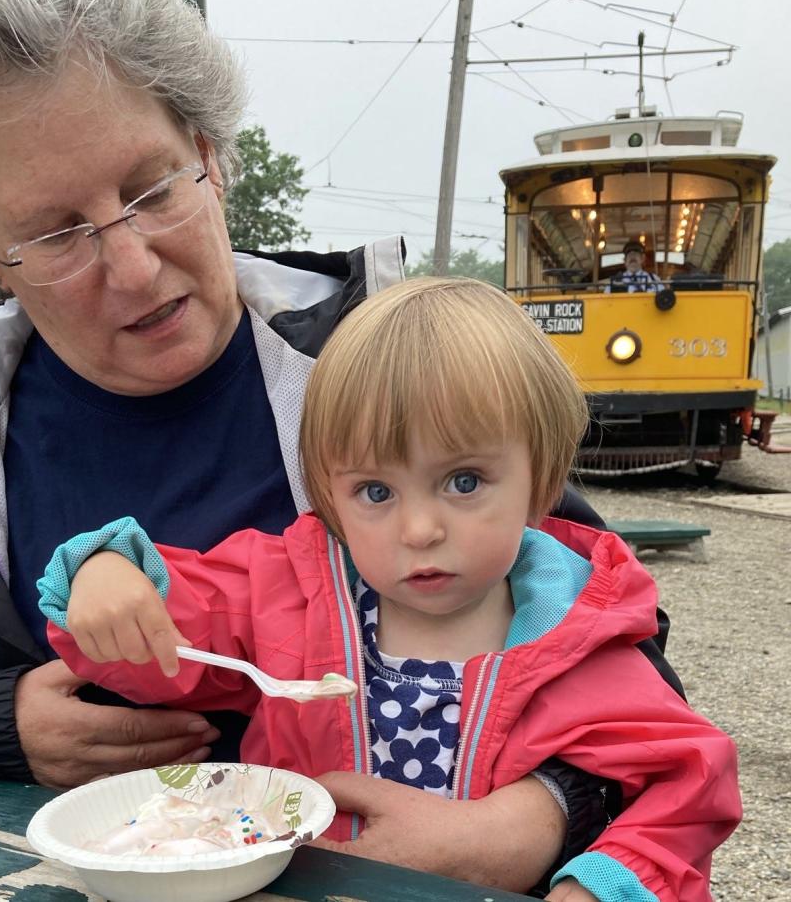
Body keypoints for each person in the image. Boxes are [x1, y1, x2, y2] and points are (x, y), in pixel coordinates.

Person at [0, 0, 675, 890]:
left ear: (209, 153)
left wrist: (534, 817)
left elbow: (616, 652)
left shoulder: (390, 366)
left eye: (153, 189)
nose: (136, 267)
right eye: (58, 231)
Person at [39, 278, 739, 902]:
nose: (420, 528)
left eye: (463, 481)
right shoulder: (289, 590)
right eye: (375, 490)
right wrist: (102, 575)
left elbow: (687, 786)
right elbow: (158, 646)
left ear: (542, 482)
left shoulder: (582, 638)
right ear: (332, 499)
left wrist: (597, 886)